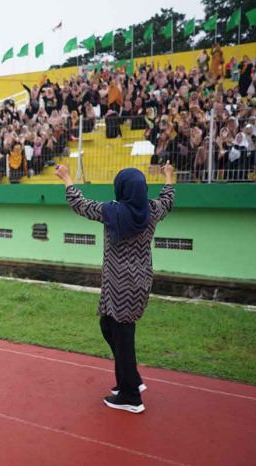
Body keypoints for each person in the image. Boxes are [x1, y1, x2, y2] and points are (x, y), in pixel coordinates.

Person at [55, 162, 175, 414]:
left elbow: (81, 205)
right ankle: (130, 379)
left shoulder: (112, 212)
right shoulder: (151, 210)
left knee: (122, 335)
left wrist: (66, 177)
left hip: (120, 283)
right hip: (137, 281)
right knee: (108, 326)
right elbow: (168, 199)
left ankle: (131, 396)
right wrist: (168, 176)